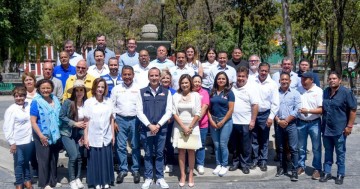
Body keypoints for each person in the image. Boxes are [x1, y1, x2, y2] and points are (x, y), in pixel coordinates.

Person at [136, 67, 172, 189]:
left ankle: (160, 177)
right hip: (146, 129)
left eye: (157, 75)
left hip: (161, 129)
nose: (154, 78)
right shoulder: (141, 92)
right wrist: (150, 125)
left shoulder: (167, 93)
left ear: (160, 77)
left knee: (160, 153)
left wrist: (158, 125)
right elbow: (139, 112)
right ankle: (148, 177)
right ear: (148, 77)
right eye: (152, 75)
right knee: (148, 153)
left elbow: (169, 111)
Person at [320, 71, 357, 185]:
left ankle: (340, 174)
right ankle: (327, 172)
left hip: (340, 130)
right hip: (326, 129)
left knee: (340, 153)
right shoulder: (325, 92)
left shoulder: (346, 92)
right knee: (327, 152)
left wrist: (349, 126)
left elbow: (353, 110)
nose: (332, 80)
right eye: (330, 78)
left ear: (339, 80)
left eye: (334, 78)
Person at [110, 65, 141, 184]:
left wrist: (140, 121)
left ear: (133, 75)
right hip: (120, 120)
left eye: (129, 74)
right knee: (121, 146)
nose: (127, 77)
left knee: (135, 145)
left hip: (135, 120)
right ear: (121, 75)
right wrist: (114, 121)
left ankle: (136, 169)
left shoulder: (139, 88)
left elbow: (141, 106)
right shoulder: (116, 89)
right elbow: (112, 106)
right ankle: (123, 169)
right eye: (125, 74)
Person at [30, 79, 62, 188]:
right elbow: (33, 121)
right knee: (44, 160)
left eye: (48, 88)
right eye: (43, 88)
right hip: (42, 134)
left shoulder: (55, 100)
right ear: (39, 89)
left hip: (54, 134)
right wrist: (41, 136)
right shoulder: (36, 102)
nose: (45, 90)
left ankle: (53, 180)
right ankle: (45, 183)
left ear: (52, 89)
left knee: (53, 158)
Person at [84, 78, 115, 189]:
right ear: (94, 87)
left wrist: (113, 135)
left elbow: (111, 119)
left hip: (106, 135)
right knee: (95, 160)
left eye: (102, 87)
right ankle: (97, 182)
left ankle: (106, 181)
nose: (100, 89)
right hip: (94, 136)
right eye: (98, 86)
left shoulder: (109, 101)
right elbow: (86, 121)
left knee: (106, 160)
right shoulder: (88, 102)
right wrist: (86, 137)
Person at [172, 74, 201, 187]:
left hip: (193, 127)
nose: (184, 85)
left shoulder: (196, 95)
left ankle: (190, 175)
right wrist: (183, 127)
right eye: (182, 83)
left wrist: (189, 127)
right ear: (180, 84)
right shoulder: (176, 95)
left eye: (186, 83)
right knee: (181, 151)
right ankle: (183, 174)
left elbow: (198, 112)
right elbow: (174, 112)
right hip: (179, 126)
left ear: (190, 83)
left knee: (191, 151)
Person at [59, 80, 89, 189]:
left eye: (81, 90)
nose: (79, 92)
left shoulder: (87, 102)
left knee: (80, 157)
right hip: (68, 133)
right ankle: (72, 180)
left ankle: (77, 178)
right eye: (77, 90)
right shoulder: (68, 102)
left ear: (84, 91)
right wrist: (74, 123)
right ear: (74, 92)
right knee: (73, 156)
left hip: (80, 133)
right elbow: (61, 116)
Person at [229, 66, 259, 174]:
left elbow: (255, 106)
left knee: (246, 146)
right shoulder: (232, 88)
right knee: (235, 145)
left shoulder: (251, 89)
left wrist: (252, 121)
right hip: (233, 122)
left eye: (243, 76)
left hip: (246, 122)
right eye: (239, 76)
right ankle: (235, 163)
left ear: (247, 77)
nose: (240, 78)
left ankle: (245, 164)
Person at [3, 86, 33, 189]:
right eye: (16, 96)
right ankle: (19, 182)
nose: (19, 98)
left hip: (28, 140)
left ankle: (27, 180)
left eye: (21, 96)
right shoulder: (11, 109)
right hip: (17, 141)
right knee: (19, 162)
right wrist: (12, 142)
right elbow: (7, 127)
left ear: (25, 96)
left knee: (26, 160)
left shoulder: (29, 105)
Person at [251, 62, 279, 171]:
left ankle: (263, 160)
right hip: (253, 114)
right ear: (258, 70)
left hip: (265, 114)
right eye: (261, 70)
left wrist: (271, 117)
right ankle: (254, 159)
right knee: (254, 138)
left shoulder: (272, 84)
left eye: (265, 71)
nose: (263, 73)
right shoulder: (251, 81)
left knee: (264, 139)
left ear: (268, 71)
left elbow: (275, 102)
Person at [274, 72, 301, 181]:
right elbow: (272, 108)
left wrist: (286, 120)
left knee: (293, 148)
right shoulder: (275, 93)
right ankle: (282, 167)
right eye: (282, 80)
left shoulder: (295, 93)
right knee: (280, 148)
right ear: (279, 81)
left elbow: (297, 109)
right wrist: (278, 120)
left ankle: (294, 171)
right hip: (278, 124)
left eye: (286, 80)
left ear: (290, 81)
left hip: (291, 124)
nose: (284, 81)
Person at [296, 72, 323, 180]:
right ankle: (301, 166)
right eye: (302, 79)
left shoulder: (318, 91)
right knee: (301, 147)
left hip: (314, 123)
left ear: (311, 80)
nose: (302, 81)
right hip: (301, 122)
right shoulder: (299, 90)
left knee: (316, 147)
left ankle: (317, 168)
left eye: (305, 79)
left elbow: (321, 109)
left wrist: (308, 110)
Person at [208, 71, 235, 177]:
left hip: (226, 121)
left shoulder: (229, 93)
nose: (221, 80)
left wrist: (222, 121)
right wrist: (211, 120)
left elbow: (231, 109)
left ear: (226, 81)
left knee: (223, 144)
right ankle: (218, 164)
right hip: (213, 121)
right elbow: (208, 109)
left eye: (223, 79)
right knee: (216, 145)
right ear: (216, 80)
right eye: (219, 78)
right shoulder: (212, 92)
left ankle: (224, 165)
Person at [192, 75, 210, 175]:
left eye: (199, 81)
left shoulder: (205, 92)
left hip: (202, 124)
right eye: (195, 81)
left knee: (201, 145)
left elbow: (204, 107)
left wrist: (196, 120)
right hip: (190, 124)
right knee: (190, 145)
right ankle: (190, 164)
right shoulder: (189, 92)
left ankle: (200, 164)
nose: (197, 83)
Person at [160, 70, 176, 173]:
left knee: (168, 143)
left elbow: (175, 108)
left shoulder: (174, 92)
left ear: (170, 80)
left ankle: (170, 162)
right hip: (159, 122)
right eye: (163, 78)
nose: (165, 80)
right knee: (160, 144)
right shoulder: (157, 90)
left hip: (170, 121)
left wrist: (171, 119)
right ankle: (161, 163)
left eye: (167, 78)